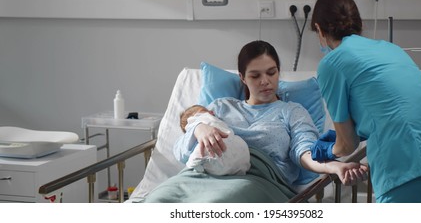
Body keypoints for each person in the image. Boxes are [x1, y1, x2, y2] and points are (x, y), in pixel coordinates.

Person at [143, 40, 367, 202]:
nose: (265, 82)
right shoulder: (220, 107)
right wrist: (199, 129)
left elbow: (304, 153)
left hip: (255, 180)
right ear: (242, 77)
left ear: (279, 72)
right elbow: (182, 152)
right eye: (255, 75)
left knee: (218, 205)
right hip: (199, 175)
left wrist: (335, 167)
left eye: (271, 72)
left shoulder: (291, 111)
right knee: (157, 200)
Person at [310, 0, 421, 203]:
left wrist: (329, 149)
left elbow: (347, 145)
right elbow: (397, 105)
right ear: (360, 24)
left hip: (406, 169)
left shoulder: (331, 63)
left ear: (319, 29)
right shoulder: (392, 49)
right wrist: (361, 129)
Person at [179, 104, 251, 176]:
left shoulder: (216, 117)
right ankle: (241, 169)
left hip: (222, 149)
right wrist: (198, 126)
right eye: (204, 111)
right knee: (204, 147)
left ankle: (193, 164)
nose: (211, 112)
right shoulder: (196, 120)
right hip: (232, 150)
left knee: (203, 149)